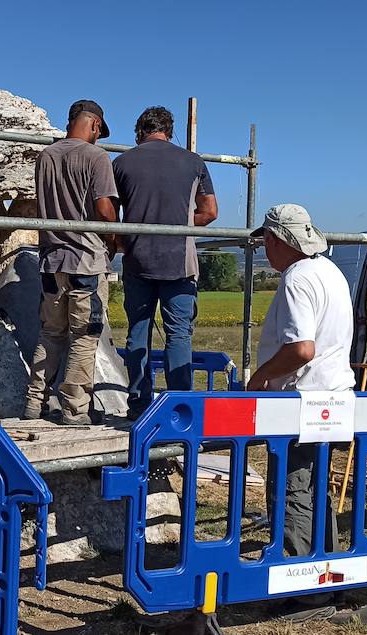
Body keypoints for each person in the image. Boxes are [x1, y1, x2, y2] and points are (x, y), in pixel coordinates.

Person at [246, 203, 354, 558]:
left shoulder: (297, 278)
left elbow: (302, 349)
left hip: (303, 400)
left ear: (278, 239)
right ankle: (326, 566)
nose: (264, 248)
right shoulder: (330, 271)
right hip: (334, 395)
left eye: (266, 241)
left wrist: (261, 376)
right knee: (315, 484)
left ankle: (298, 579)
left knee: (292, 488)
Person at [113, 106, 218, 417]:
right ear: (169, 131)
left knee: (137, 332)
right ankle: (179, 407)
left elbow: (108, 212)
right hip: (179, 262)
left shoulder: (121, 163)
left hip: (137, 260)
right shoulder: (193, 162)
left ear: (139, 130)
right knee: (179, 334)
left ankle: (138, 405)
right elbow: (210, 212)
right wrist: (182, 224)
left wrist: (124, 240)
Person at [24, 100, 119, 425]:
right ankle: (75, 410)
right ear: (94, 125)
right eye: (98, 132)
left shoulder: (47, 156)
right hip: (86, 260)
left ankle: (34, 402)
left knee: (50, 333)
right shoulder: (96, 157)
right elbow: (105, 209)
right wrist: (114, 240)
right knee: (84, 336)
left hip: (51, 260)